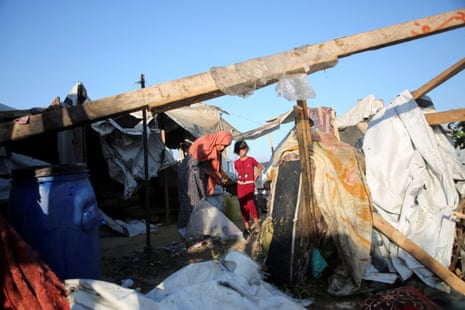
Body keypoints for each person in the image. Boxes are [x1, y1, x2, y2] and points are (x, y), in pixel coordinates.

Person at [177, 130, 232, 236]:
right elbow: (193, 166)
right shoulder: (204, 144)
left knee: (200, 203)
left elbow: (212, 167)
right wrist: (213, 174)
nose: (223, 148)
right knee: (192, 204)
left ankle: (196, 232)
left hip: (199, 177)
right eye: (223, 145)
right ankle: (186, 232)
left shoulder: (215, 150)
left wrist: (217, 176)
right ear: (219, 140)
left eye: (226, 147)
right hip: (189, 176)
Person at [233, 140, 263, 239]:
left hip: (250, 185)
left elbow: (260, 167)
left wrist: (255, 177)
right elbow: (238, 173)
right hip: (240, 185)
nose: (241, 151)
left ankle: (257, 224)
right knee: (243, 207)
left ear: (246, 149)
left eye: (242, 149)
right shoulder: (236, 163)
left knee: (250, 204)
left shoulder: (251, 160)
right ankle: (246, 227)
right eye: (239, 150)